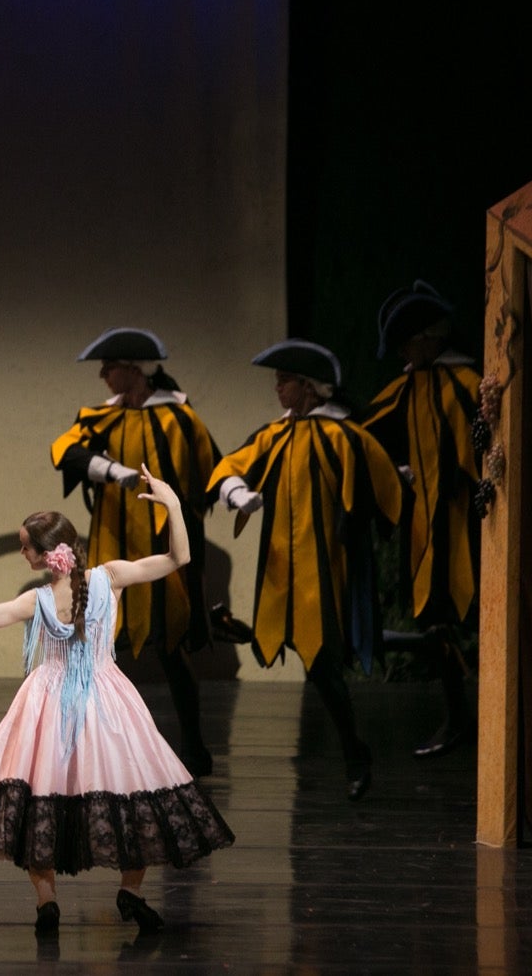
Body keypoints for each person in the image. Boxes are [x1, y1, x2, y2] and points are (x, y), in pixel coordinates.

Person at [0, 468, 234, 939]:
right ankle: (129, 891)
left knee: (39, 801)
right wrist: (172, 503)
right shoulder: (110, 578)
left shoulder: (38, 600)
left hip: (46, 705)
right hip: (107, 702)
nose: (22, 552)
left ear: (46, 554)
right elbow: (180, 556)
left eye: (25, 546)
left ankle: (47, 899)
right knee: (131, 794)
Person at [207, 340, 404, 800]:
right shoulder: (275, 434)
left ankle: (356, 754)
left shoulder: (341, 435)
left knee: (322, 663)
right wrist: (239, 494)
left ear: (310, 388)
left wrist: (399, 480)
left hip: (326, 568)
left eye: (285, 380)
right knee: (295, 645)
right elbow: (230, 466)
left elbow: (382, 479)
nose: (277, 387)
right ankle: (355, 751)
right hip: (280, 565)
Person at [48, 327, 221, 775]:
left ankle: (194, 746)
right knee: (98, 641)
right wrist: (109, 469)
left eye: (110, 367)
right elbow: (65, 449)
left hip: (160, 547)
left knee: (171, 645)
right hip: (112, 540)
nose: (103, 374)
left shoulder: (179, 418)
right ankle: (90, 749)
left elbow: (208, 470)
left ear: (135, 371)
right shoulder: (101, 417)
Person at [361, 281, 482, 756]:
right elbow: (364, 437)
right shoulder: (407, 388)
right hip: (427, 532)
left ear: (431, 338)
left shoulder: (472, 385)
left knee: (484, 622)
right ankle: (458, 722)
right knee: (438, 624)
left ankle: (505, 723)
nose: (404, 354)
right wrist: (397, 471)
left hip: (474, 526)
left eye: (409, 343)